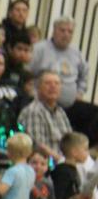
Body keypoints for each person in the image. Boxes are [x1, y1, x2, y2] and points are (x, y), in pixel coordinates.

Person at [30, 16, 98, 145]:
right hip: (44, 103)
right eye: (62, 30)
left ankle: (87, 149)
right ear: (54, 30)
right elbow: (29, 73)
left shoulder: (76, 53)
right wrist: (34, 92)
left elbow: (85, 74)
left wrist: (80, 92)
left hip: (71, 103)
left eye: (70, 31)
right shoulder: (40, 49)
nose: (66, 34)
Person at [19, 70, 72, 162]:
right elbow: (39, 146)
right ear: (38, 88)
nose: (53, 86)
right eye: (48, 83)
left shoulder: (61, 112)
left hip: (64, 161)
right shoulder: (33, 111)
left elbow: (70, 140)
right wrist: (63, 161)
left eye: (57, 83)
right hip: (45, 164)